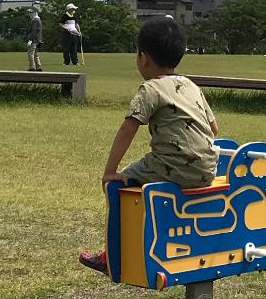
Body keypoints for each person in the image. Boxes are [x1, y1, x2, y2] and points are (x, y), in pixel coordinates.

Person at [79, 18, 218, 273]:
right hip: (207, 170)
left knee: (116, 186)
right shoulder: (191, 85)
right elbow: (214, 128)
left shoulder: (151, 89)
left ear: (143, 58)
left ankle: (111, 256)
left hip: (171, 166)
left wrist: (110, 171)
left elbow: (128, 129)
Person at [26, 4, 44, 72]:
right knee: (36, 54)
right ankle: (38, 66)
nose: (29, 14)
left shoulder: (35, 20)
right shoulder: (37, 19)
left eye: (31, 13)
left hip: (34, 40)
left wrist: (30, 40)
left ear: (35, 12)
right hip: (37, 39)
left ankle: (32, 66)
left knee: (30, 53)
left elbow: (34, 31)